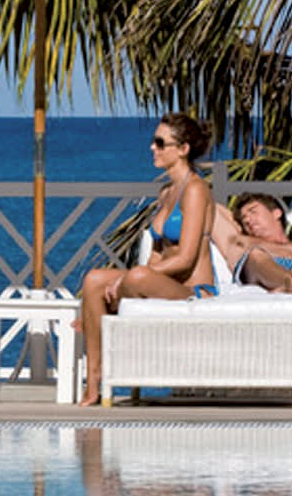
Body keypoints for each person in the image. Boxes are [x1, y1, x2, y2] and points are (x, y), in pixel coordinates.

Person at [76, 111, 215, 405]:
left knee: (137, 276)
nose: (153, 147)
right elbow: (155, 256)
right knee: (94, 280)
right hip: (162, 282)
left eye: (161, 143)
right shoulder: (167, 192)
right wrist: (129, 281)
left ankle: (97, 316)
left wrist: (129, 280)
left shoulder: (196, 189)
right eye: (154, 141)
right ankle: (95, 377)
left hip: (193, 290)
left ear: (183, 149)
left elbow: (186, 258)